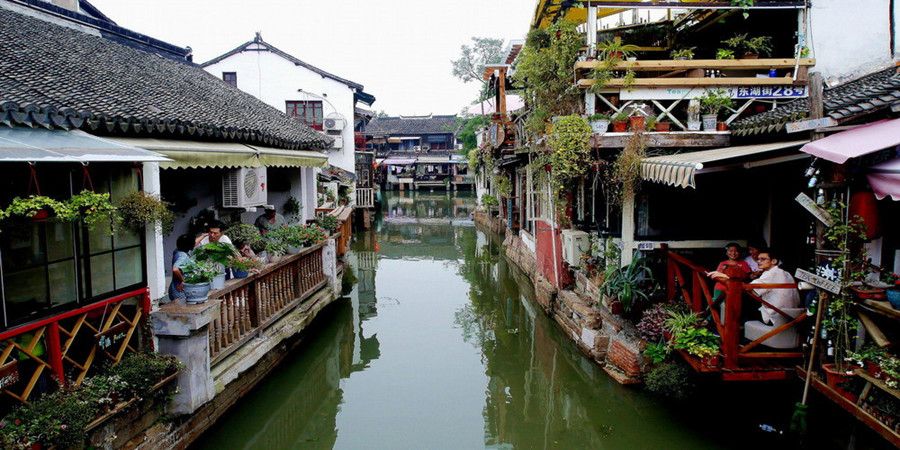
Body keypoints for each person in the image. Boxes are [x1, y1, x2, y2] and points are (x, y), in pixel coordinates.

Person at [750, 250, 800, 324]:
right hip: (791, 314)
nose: (759, 261)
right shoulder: (785, 273)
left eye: (763, 259)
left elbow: (750, 288)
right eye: (758, 259)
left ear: (774, 261)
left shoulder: (770, 273)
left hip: (775, 316)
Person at [168, 234, 195, 302]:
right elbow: (175, 269)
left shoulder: (177, 251)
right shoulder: (183, 257)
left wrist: (204, 236)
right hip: (180, 290)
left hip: (174, 287)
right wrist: (182, 281)